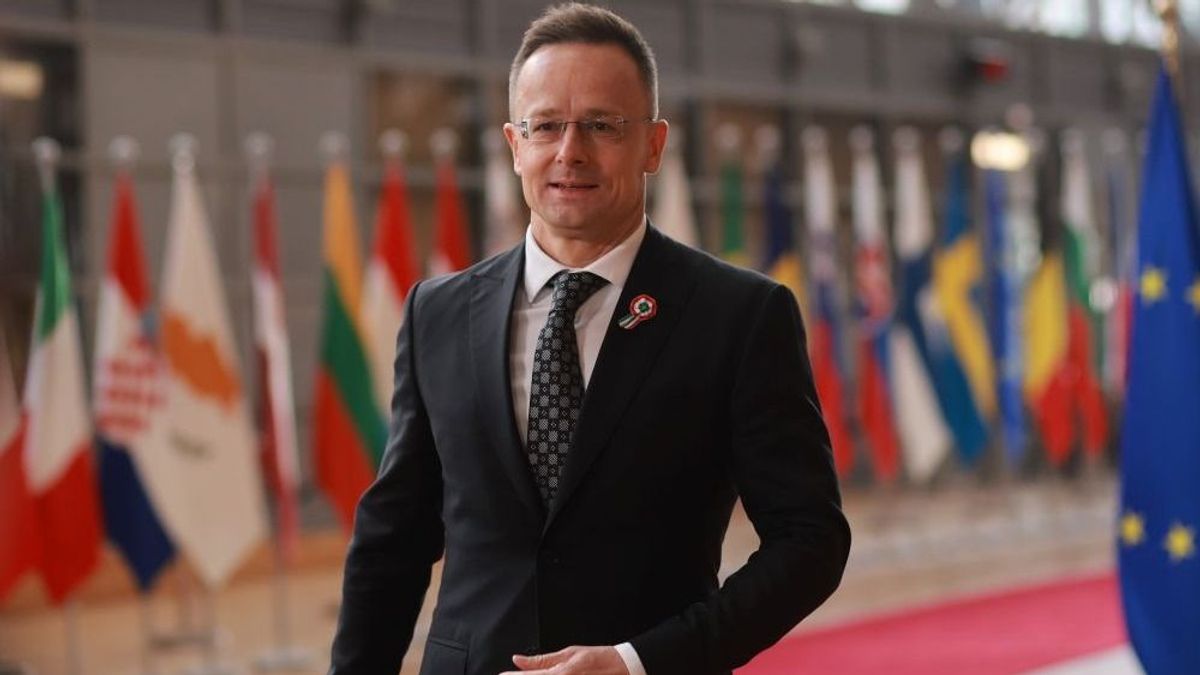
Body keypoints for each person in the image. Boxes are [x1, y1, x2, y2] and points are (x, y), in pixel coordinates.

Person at [329, 4, 850, 674]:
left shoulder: (740, 316)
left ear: (653, 145)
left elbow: (810, 541)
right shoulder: (440, 312)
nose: (569, 151)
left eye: (601, 125)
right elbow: (393, 541)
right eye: (546, 125)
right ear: (514, 144)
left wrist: (640, 661)